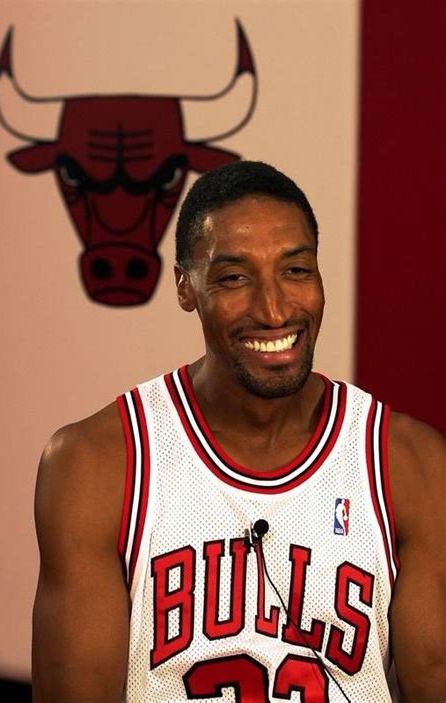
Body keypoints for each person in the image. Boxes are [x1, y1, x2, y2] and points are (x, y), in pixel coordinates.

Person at [32, 161, 445, 703]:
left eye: (296, 271)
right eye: (234, 277)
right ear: (185, 286)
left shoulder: (409, 465)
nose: (274, 310)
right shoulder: (96, 464)